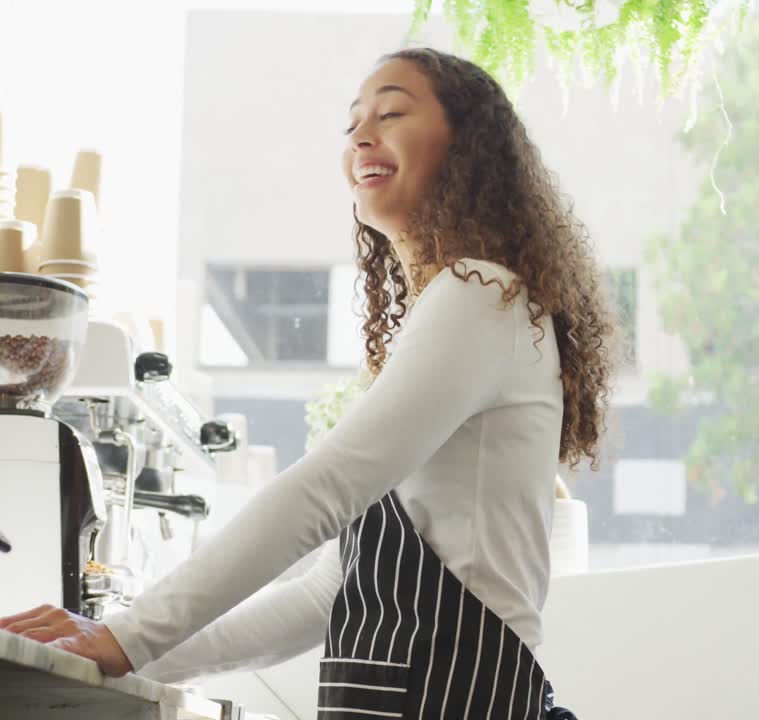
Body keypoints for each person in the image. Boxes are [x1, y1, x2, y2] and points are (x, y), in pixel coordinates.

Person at [0, 47, 615, 719]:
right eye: (353, 122)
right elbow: (328, 592)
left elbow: (324, 487)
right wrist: (118, 650)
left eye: (392, 112)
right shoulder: (452, 313)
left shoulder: (481, 295)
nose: (361, 134)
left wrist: (127, 635)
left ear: (467, 146)